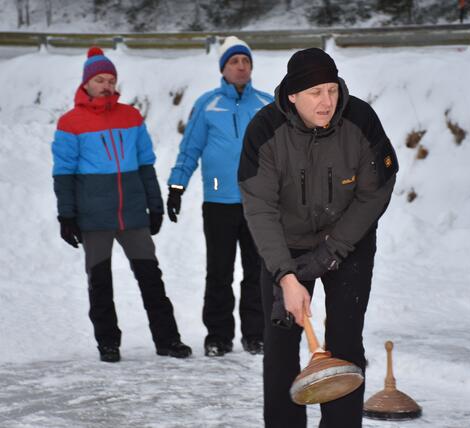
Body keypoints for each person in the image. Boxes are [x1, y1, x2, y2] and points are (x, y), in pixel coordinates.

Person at [238, 48, 398, 427]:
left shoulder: (360, 119)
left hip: (348, 238)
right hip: (285, 243)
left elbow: (376, 189)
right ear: (292, 95)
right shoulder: (264, 131)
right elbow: (260, 208)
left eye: (332, 89)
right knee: (280, 345)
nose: (327, 101)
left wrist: (334, 249)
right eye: (315, 93)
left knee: (345, 338)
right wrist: (286, 276)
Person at [52, 47, 192, 363]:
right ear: (86, 83)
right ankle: (108, 343)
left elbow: (145, 164)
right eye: (99, 79)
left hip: (132, 214)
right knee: (100, 282)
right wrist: (67, 215)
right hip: (94, 216)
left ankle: (168, 340)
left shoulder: (131, 116)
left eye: (110, 79)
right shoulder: (70, 122)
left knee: (151, 279)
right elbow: (63, 172)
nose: (105, 85)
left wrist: (154, 206)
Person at [166, 36, 273, 357]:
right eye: (234, 62)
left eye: (245, 61)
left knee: (257, 272)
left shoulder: (266, 104)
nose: (241, 67)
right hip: (218, 203)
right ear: (223, 68)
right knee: (220, 272)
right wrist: (176, 186)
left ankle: (255, 334)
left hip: (259, 203)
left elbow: (283, 153)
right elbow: (190, 149)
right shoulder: (207, 104)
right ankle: (218, 336)